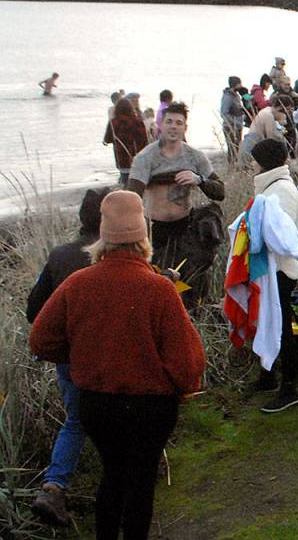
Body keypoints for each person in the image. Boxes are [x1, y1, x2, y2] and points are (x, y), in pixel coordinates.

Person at [29, 191, 205, 538]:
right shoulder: (159, 288)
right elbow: (188, 362)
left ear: (102, 238)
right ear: (143, 236)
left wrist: (82, 356)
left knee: (112, 475)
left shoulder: (76, 284)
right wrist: (181, 389)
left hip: (97, 403)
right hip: (150, 407)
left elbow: (41, 340)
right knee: (140, 482)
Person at [26, 188, 108, 528]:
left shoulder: (59, 256)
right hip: (108, 354)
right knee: (120, 417)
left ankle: (55, 487)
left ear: (80, 218)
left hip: (70, 358)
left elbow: (34, 310)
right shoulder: (113, 254)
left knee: (76, 421)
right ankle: (123, 485)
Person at [127, 102, 225, 300]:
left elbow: (220, 191)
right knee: (157, 284)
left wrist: (199, 180)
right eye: (169, 121)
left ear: (185, 128)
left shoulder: (195, 157)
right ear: (160, 125)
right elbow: (131, 197)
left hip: (185, 228)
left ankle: (195, 318)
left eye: (179, 123)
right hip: (155, 230)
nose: (173, 126)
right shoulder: (145, 158)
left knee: (191, 284)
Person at [248, 138, 298, 413]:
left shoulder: (279, 192)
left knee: (281, 328)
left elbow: (279, 237)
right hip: (274, 270)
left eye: (254, 160)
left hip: (280, 271)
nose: (251, 165)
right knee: (269, 324)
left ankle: (289, 388)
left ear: (264, 162)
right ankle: (269, 376)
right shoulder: (275, 187)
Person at [103, 97, 149, 186]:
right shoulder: (137, 122)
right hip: (137, 158)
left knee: (124, 180)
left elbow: (107, 140)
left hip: (122, 159)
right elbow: (144, 140)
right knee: (138, 182)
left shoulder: (113, 123)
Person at [221, 75, 246, 164]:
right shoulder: (228, 97)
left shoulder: (237, 96)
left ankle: (235, 166)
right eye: (239, 84)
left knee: (237, 149)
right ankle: (231, 167)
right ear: (235, 85)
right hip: (230, 127)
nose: (241, 86)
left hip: (238, 126)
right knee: (232, 150)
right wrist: (234, 123)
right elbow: (224, 113)